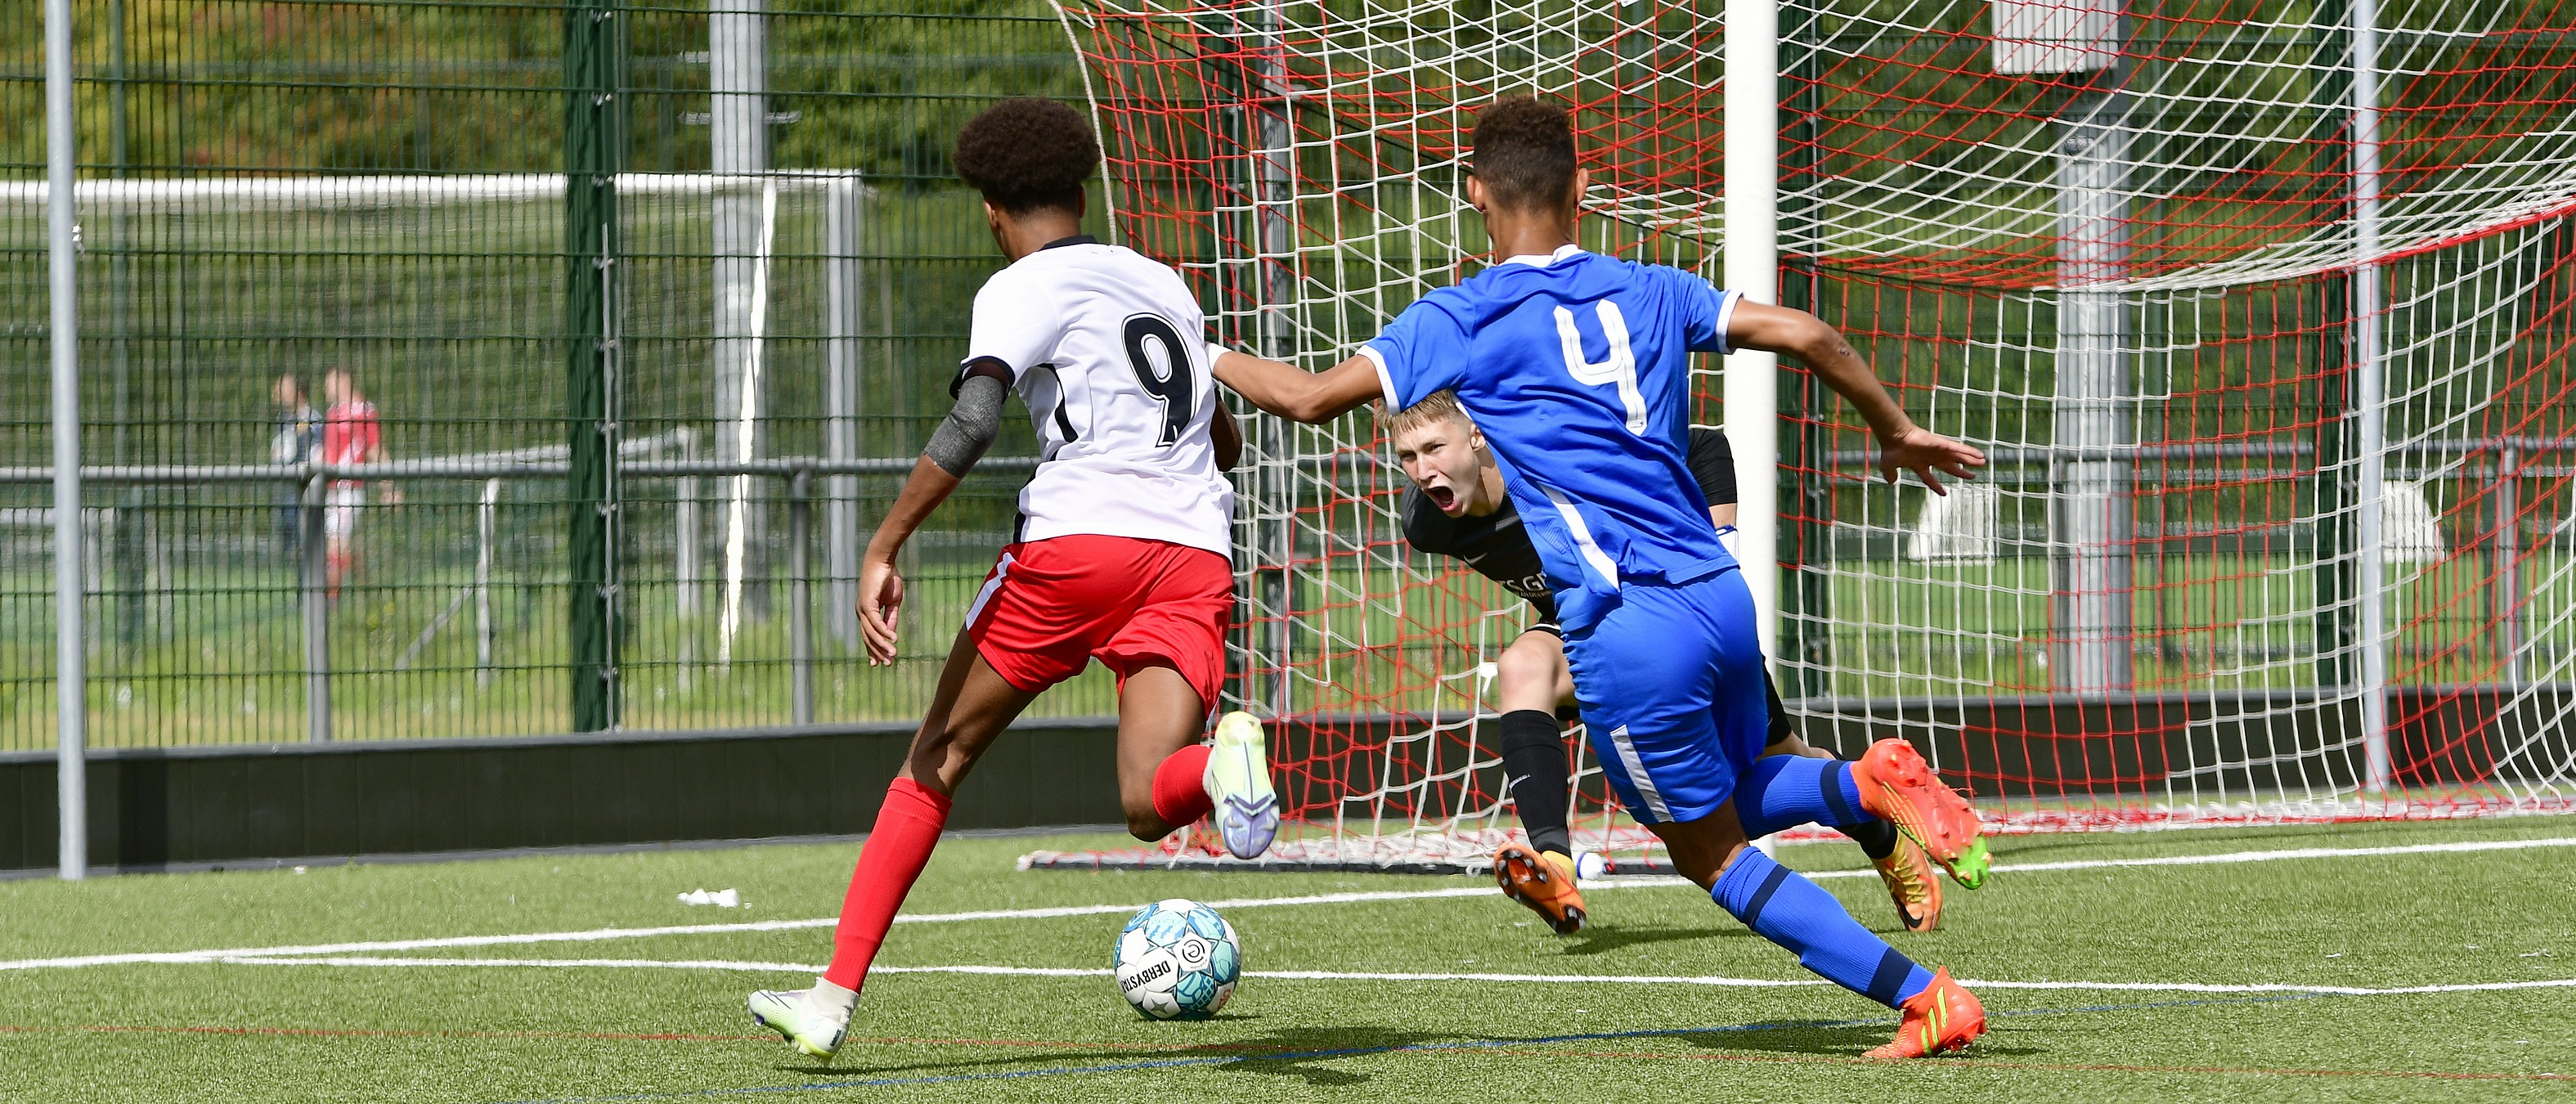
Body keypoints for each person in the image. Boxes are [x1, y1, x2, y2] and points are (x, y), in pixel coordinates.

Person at [1207, 96, 1995, 1059]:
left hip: (1628, 627)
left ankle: (1925, 998)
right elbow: (1807, 335)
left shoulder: (1459, 315)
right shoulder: (1656, 287)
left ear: (1474, 196)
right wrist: (1895, 429)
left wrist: (1201, 348)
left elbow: (1306, 399)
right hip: (1719, 592)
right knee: (1740, 794)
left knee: (1708, 853)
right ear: (1583, 191)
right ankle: (1860, 786)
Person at [745, 97, 1275, 1063]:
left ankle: (829, 1001)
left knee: (934, 760)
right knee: (1150, 801)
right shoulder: (1164, 284)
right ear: (1082, 191)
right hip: (1193, 551)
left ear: (992, 211)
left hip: (1074, 548)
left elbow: (974, 421)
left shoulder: (1019, 285)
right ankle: (1225, 760)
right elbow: (1220, 434)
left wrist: (886, 544)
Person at [1380, 392, 1942, 937]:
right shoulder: (1429, 523)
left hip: (1676, 621)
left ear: (1477, 433)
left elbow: (1702, 445)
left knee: (1780, 764)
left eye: (1434, 448)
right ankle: (1554, 860)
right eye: (1408, 457)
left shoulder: (1550, 458)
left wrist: (1720, 547)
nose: (1423, 470)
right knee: (1522, 666)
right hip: (1595, 633)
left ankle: (1880, 835)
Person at [320, 369, 388, 601]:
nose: (325, 389)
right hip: (330, 490)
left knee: (336, 546)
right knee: (345, 547)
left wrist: (389, 487)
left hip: (349, 490)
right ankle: (373, 593)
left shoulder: (363, 411)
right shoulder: (332, 413)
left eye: (329, 384)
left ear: (345, 382)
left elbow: (375, 449)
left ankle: (330, 602)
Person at [270, 374, 321, 559]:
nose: (276, 393)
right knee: (291, 548)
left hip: (304, 491)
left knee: (307, 545)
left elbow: (317, 452)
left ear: (298, 392)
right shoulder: (283, 420)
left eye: (282, 389)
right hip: (286, 492)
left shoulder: (312, 420)